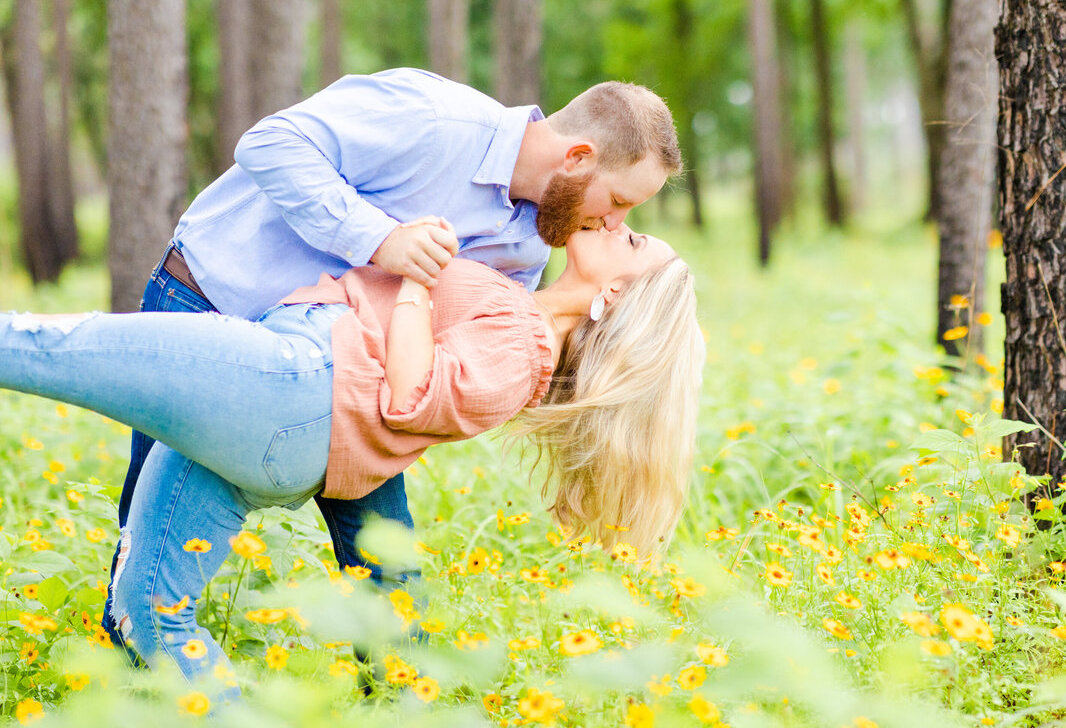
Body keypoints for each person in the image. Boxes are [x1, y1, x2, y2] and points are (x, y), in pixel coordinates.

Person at [112, 68, 682, 650]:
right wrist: (382, 240)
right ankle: (130, 678)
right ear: (579, 157)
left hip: (345, 381)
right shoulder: (433, 119)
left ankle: (397, 711)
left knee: (385, 559)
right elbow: (268, 145)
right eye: (616, 202)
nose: (614, 224)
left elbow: (459, 347)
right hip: (215, 299)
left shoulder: (535, 238)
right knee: (149, 537)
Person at [0, 225, 704, 696]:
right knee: (148, 609)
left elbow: (410, 393)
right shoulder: (522, 305)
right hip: (285, 406)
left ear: (614, 294)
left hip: (293, 388)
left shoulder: (524, 350)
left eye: (633, 238)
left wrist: (419, 283)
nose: (618, 222)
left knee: (46, 346)